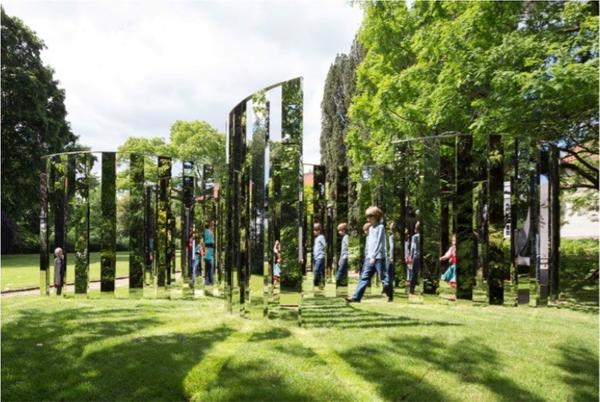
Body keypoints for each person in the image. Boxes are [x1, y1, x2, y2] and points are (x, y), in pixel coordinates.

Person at [347, 206, 392, 303]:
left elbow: (379, 243)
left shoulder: (381, 227)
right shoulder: (370, 229)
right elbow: (370, 243)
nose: (368, 219)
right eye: (367, 217)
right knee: (364, 277)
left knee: (384, 278)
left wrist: (374, 256)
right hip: (369, 258)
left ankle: (390, 294)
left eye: (370, 217)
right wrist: (368, 255)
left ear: (376, 216)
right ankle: (356, 297)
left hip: (379, 258)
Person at [313, 223, 326, 288]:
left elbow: (325, 245)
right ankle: (321, 284)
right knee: (319, 271)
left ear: (318, 230)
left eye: (315, 230)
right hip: (316, 257)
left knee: (317, 270)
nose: (314, 232)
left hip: (320, 257)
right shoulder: (316, 238)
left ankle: (316, 284)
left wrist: (322, 253)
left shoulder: (321, 237)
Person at [409, 221, 421, 294]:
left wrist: (411, 256)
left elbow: (412, 248)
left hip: (416, 256)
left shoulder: (414, 237)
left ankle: (412, 289)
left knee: (414, 273)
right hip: (419, 256)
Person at [204, 221, 215, 286]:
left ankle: (208, 282)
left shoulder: (211, 233)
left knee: (209, 267)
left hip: (210, 252)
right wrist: (212, 242)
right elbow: (206, 242)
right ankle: (210, 281)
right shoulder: (207, 232)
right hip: (208, 252)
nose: (214, 227)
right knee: (210, 266)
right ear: (210, 226)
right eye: (213, 226)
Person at [387, 221, 395, 297]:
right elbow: (391, 247)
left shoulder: (391, 235)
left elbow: (392, 247)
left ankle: (390, 289)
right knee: (390, 274)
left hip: (391, 257)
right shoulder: (391, 235)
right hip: (391, 257)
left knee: (390, 274)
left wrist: (391, 257)